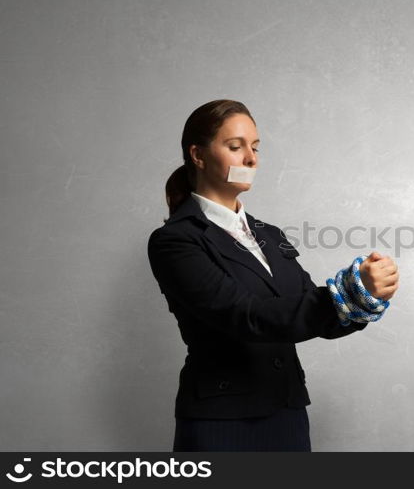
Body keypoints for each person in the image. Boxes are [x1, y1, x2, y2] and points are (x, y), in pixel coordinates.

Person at [146, 99, 399, 451]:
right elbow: (245, 317)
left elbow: (313, 316)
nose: (251, 159)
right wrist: (349, 292)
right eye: (235, 147)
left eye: (255, 147)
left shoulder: (270, 235)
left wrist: (366, 295)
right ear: (198, 155)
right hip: (221, 420)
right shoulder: (175, 240)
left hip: (287, 412)